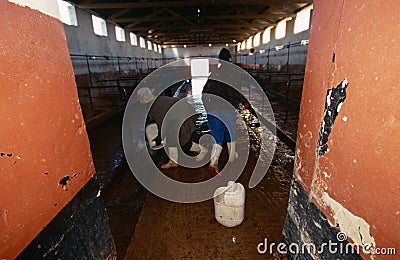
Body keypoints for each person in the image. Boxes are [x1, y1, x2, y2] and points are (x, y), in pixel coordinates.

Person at [202, 48, 251, 176]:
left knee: (217, 137)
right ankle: (232, 158)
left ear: (219, 60)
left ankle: (214, 163)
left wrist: (207, 108)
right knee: (230, 133)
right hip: (227, 109)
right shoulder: (233, 73)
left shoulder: (213, 74)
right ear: (230, 60)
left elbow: (203, 92)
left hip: (213, 110)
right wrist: (244, 101)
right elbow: (234, 91)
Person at [137, 87, 208, 169]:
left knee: (182, 143)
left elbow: (162, 122)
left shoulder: (154, 106)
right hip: (179, 118)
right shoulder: (159, 99)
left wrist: (159, 137)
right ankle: (173, 162)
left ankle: (202, 150)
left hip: (183, 120)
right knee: (171, 140)